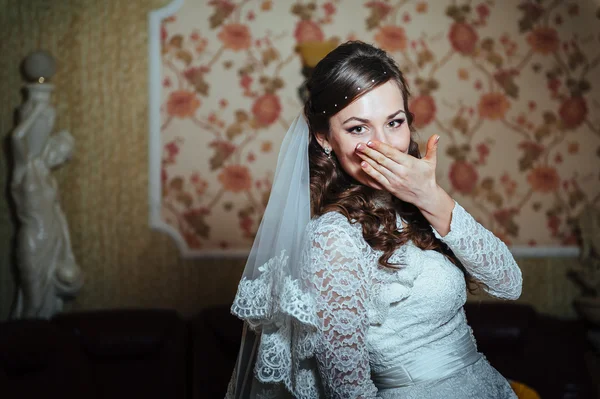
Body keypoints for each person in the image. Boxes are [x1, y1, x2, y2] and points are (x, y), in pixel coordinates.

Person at [226, 41, 522, 399]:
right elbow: (347, 389)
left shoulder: (419, 206)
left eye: (394, 123)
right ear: (324, 138)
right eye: (358, 129)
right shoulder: (333, 238)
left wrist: (430, 197)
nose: (384, 145)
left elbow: (509, 283)